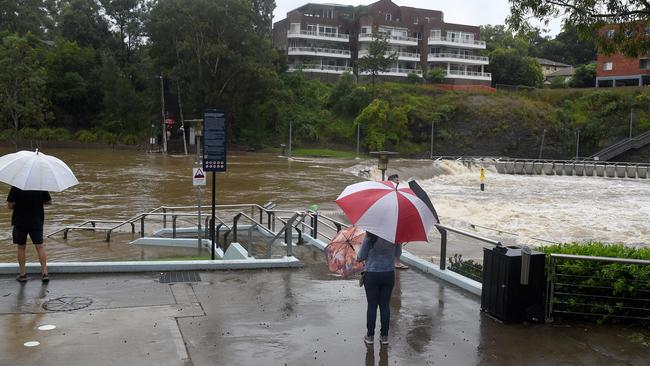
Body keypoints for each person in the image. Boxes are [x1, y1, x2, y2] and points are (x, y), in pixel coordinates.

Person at [357, 231, 395, 346]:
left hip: (372, 274)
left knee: (372, 305)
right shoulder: (394, 236)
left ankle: (370, 336)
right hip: (388, 273)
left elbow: (361, 257)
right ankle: (384, 337)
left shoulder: (370, 236)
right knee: (385, 305)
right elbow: (398, 254)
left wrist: (360, 255)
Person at [7, 186, 51, 282]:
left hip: (20, 221)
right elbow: (48, 202)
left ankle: (23, 275)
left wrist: (19, 204)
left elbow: (10, 205)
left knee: (21, 247)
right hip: (36, 220)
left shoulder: (17, 186)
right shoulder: (40, 185)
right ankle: (45, 273)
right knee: (40, 246)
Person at [387, 174, 408, 270]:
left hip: (397, 220)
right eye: (396, 180)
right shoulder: (389, 193)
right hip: (391, 221)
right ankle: (396, 261)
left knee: (398, 242)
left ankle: (396, 261)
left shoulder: (399, 193)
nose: (398, 182)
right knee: (395, 242)